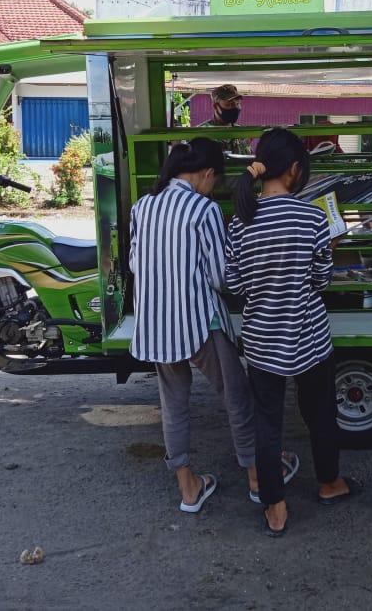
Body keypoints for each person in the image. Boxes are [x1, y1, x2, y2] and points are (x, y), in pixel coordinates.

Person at [226, 128, 361, 537]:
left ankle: (275, 506)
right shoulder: (313, 217)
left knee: (267, 424)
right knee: (320, 413)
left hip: (263, 339)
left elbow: (234, 286)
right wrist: (327, 255)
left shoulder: (239, 223)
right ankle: (330, 483)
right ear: (296, 170)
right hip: (309, 337)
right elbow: (321, 280)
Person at [128, 138, 264, 513]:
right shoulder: (203, 210)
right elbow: (221, 277)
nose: (213, 188)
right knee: (236, 397)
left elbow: (136, 265)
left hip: (156, 324)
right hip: (199, 323)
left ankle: (188, 488)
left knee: (173, 405)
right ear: (206, 174)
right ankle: (256, 478)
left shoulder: (142, 207)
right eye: (214, 181)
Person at [198, 84, 251, 155]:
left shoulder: (241, 133)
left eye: (237, 104)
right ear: (216, 107)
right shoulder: (201, 132)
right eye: (229, 104)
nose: (235, 108)